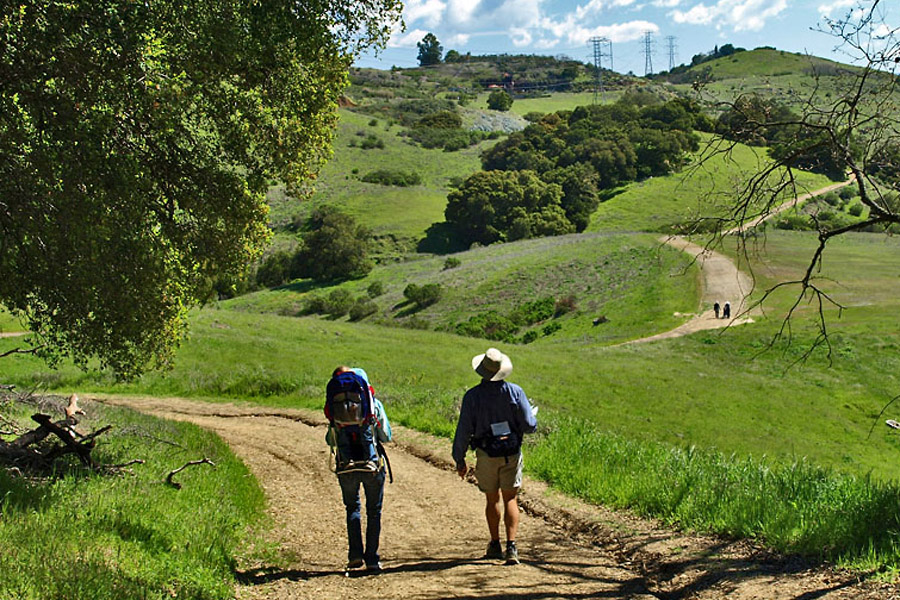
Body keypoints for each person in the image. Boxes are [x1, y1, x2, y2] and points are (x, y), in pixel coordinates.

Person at [452, 348, 537, 565]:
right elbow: (529, 425)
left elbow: (463, 430)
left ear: (482, 371)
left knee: (492, 499)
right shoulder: (515, 392)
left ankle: (495, 543)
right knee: (510, 498)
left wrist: (459, 459)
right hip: (511, 452)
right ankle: (512, 546)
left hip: (485, 453)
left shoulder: (472, 397)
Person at [325, 366, 392, 573]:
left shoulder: (337, 409)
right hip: (372, 466)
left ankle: (355, 555)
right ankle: (371, 558)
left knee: (352, 508)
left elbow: (330, 440)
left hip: (347, 467)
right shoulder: (373, 405)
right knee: (374, 512)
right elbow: (386, 436)